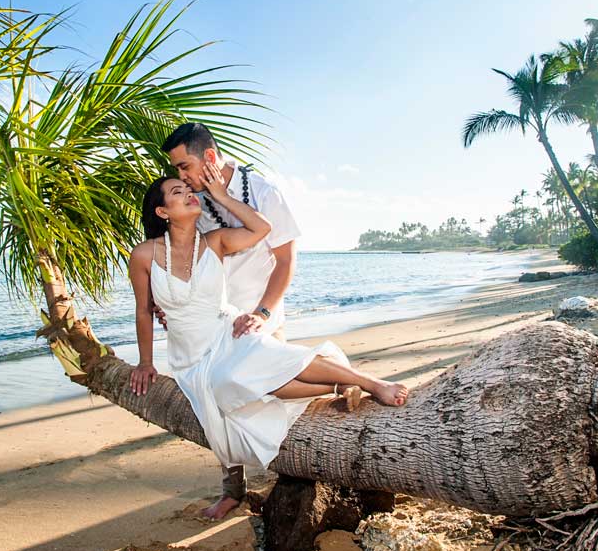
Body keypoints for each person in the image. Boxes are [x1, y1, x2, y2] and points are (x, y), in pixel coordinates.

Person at [126, 164, 408, 519]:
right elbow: (142, 312)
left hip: (227, 330)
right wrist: (146, 361)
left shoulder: (216, 241)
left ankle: (372, 383)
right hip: (190, 354)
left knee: (270, 360)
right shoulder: (144, 254)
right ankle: (337, 386)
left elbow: (263, 228)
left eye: (188, 189)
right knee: (228, 386)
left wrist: (222, 197)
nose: (188, 193)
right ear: (162, 212)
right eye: (177, 192)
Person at [159, 122, 299, 519]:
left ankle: (291, 470)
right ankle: (232, 489)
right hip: (216, 319)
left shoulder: (262, 191)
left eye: (184, 166)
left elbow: (286, 261)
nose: (180, 177)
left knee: (273, 392)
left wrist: (263, 314)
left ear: (209, 157)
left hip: (261, 314)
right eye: (177, 171)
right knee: (215, 400)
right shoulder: (195, 201)